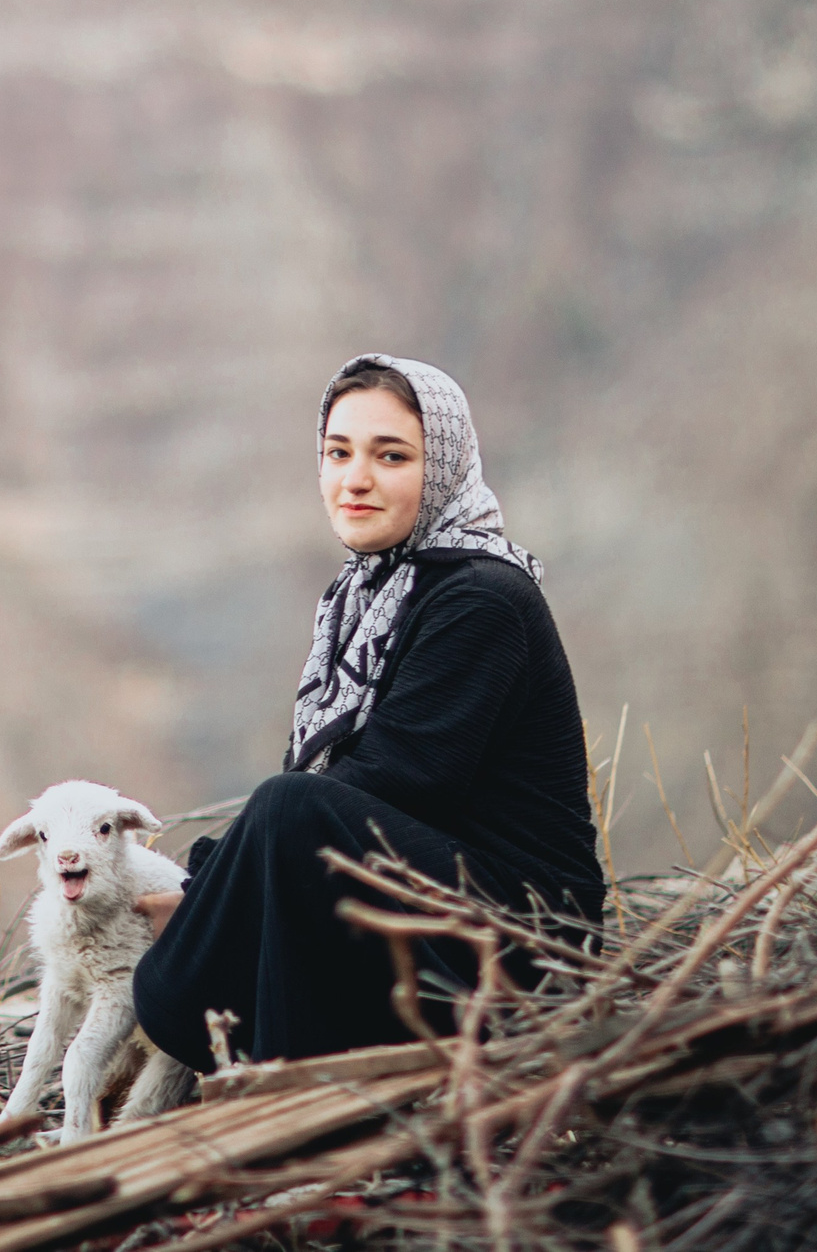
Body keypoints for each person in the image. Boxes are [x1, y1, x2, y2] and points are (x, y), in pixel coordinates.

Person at [128, 354, 603, 1066]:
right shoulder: (363, 596)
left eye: (391, 455)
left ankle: (302, 1088)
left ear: (441, 466)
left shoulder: (482, 597)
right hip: (424, 897)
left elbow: (391, 782)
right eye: (337, 452)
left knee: (292, 810)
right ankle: (293, 1071)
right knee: (286, 825)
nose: (355, 478)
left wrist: (207, 891)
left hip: (525, 934)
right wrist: (214, 882)